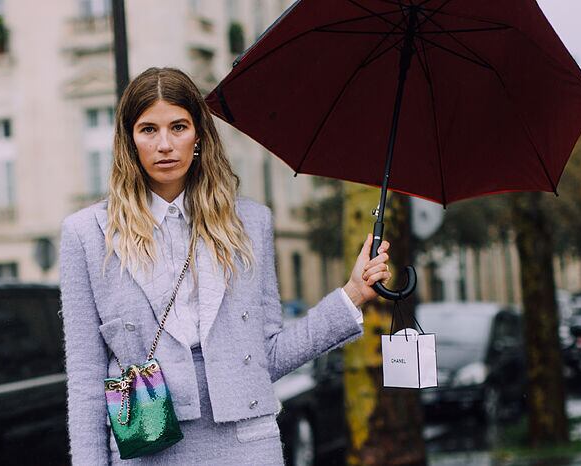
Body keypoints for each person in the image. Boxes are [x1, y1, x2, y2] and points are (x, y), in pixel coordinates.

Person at [59, 67, 392, 465]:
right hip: (147, 451)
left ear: (199, 136)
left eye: (178, 127)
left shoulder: (250, 224)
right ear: (129, 141)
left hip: (247, 445)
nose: (165, 144)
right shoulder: (87, 234)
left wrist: (352, 294)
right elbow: (85, 383)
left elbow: (268, 355)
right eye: (149, 129)